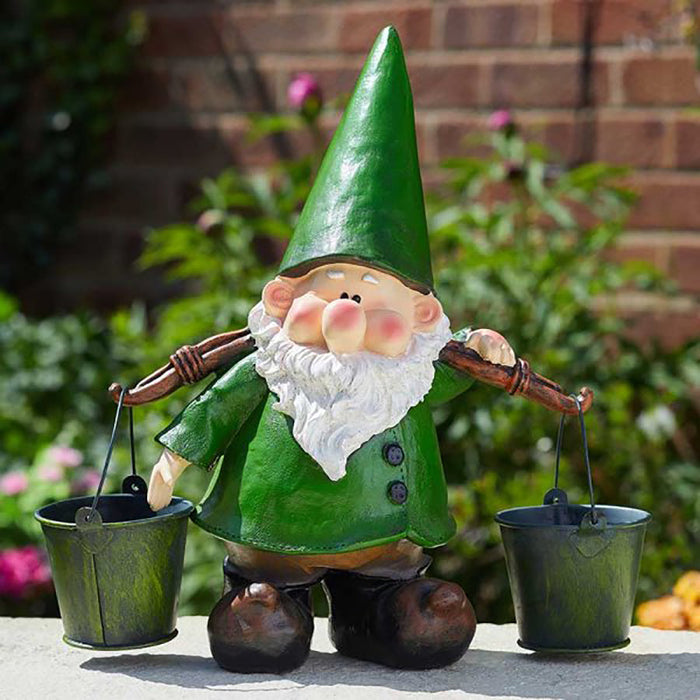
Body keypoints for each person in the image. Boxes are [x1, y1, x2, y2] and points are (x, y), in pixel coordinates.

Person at [147, 26, 514, 673]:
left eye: (373, 299)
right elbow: (217, 407)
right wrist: (173, 461)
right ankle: (265, 609)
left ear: (422, 317)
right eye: (334, 290)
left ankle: (391, 612)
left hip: (387, 545)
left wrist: (480, 346)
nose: (349, 312)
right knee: (260, 627)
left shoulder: (411, 372)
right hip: (272, 539)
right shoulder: (271, 366)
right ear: (282, 300)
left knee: (424, 623)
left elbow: (458, 372)